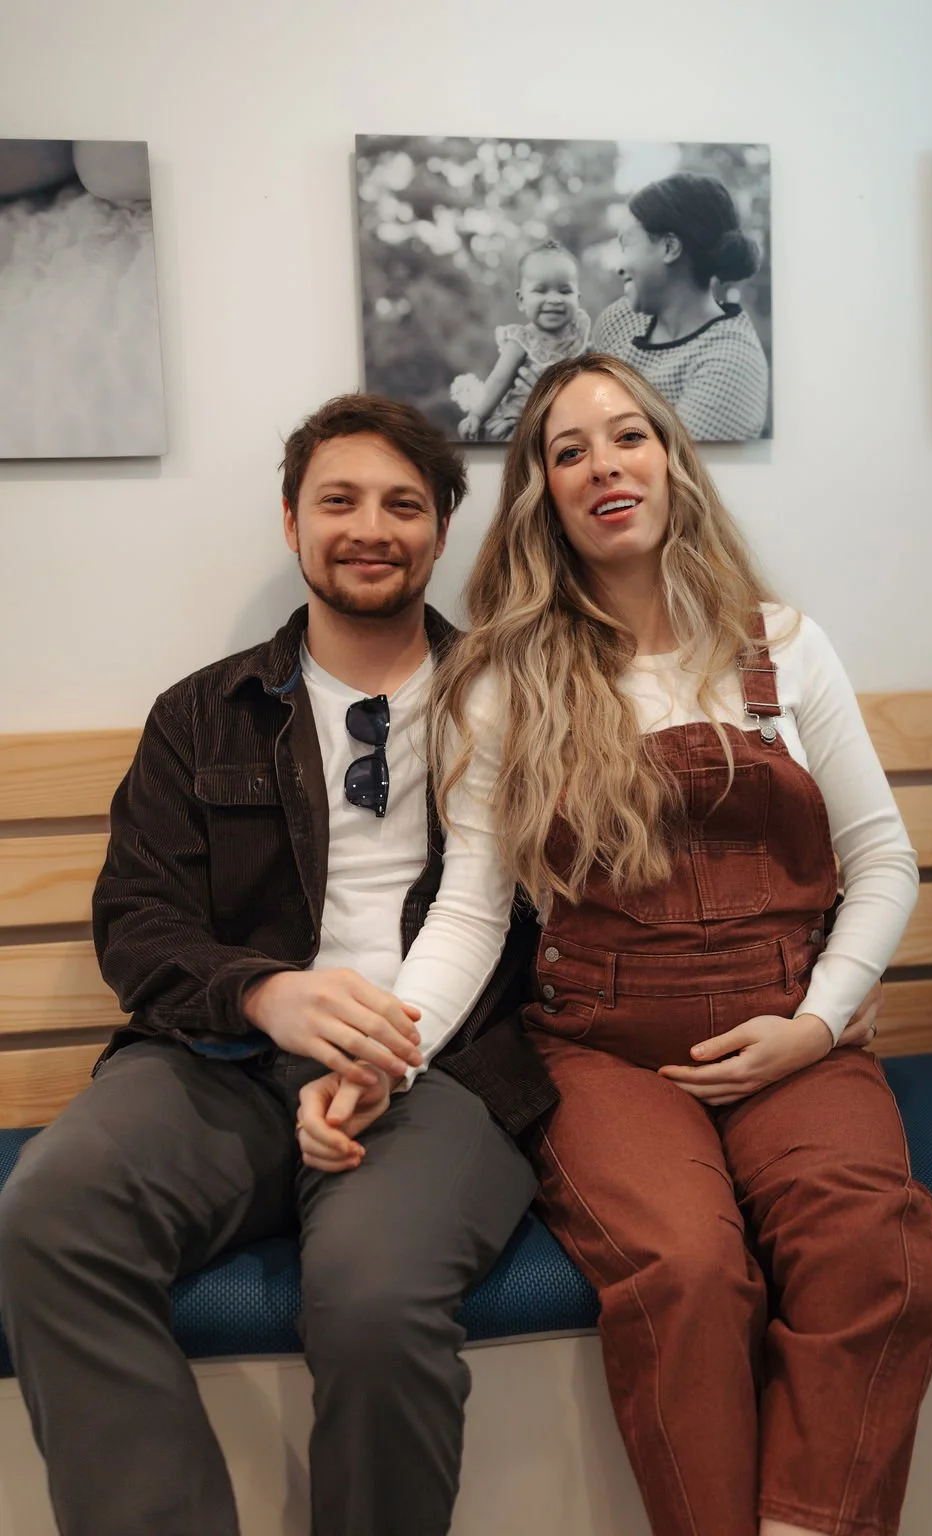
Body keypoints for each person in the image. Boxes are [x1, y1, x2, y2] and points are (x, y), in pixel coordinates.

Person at [0, 393, 552, 1536]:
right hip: (216, 1062)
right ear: (290, 522)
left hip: (440, 1077)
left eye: (404, 504)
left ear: (441, 531)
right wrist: (264, 992)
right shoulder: (201, 716)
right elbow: (138, 924)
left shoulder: (510, 700)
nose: (370, 527)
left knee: (374, 1304)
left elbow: (498, 915)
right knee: (48, 1218)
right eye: (338, 500)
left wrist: (383, 1051)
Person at [428, 353, 932, 1536]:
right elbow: (472, 911)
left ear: (671, 460)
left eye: (628, 436)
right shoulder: (505, 680)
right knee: (686, 1272)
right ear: (541, 494)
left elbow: (884, 864)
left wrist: (817, 1022)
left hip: (793, 1031)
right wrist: (383, 1050)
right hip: (606, 1054)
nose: (604, 465)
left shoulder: (781, 647)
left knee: (879, 1250)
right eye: (569, 451)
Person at [593, 171, 770, 441]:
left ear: (669, 247)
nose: (618, 266)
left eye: (627, 244)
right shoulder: (620, 320)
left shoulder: (730, 362)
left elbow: (673, 470)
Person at [451, 239, 591, 441]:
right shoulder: (522, 340)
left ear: (578, 298)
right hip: (522, 421)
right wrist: (477, 415)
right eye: (541, 290)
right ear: (521, 300)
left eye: (564, 291)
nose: (554, 299)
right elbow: (498, 380)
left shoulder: (581, 336)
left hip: (569, 422)